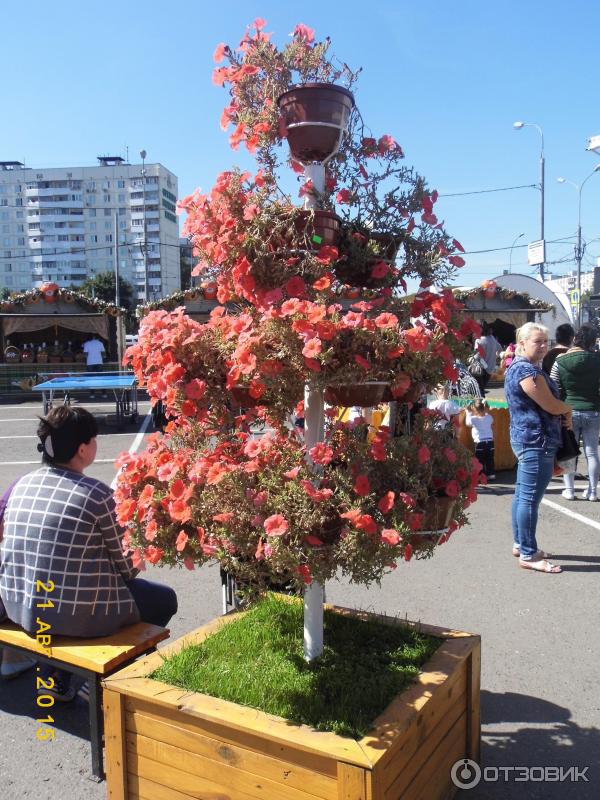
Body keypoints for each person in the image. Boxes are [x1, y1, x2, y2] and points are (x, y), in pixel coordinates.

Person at [0, 406, 178, 700]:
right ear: (83, 449)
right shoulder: (97, 495)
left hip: (19, 606)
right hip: (72, 616)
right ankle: (100, 680)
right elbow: (128, 568)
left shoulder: (21, 484)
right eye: (94, 439)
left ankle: (59, 673)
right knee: (162, 600)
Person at [504, 322, 572, 574]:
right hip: (536, 440)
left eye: (546, 341)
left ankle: (521, 545)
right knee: (529, 499)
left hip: (529, 438)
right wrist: (567, 409)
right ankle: (529, 554)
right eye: (537, 341)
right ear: (521, 344)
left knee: (523, 495)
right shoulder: (527, 371)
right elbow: (552, 405)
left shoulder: (524, 368)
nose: (544, 345)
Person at [550, 323, 600, 501]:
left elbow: (554, 387)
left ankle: (569, 490)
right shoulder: (597, 360)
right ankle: (593, 491)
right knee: (592, 452)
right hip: (593, 410)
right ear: (592, 342)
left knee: (569, 450)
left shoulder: (560, 361)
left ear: (575, 339)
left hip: (568, 411)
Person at [465, 399, 495, 479]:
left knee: (480, 460)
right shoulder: (489, 417)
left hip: (480, 443)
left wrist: (468, 412)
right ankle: (491, 474)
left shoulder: (473, 419)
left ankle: (480, 476)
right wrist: (486, 409)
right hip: (490, 442)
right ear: (484, 408)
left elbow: (467, 423)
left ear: (474, 410)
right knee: (490, 459)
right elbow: (487, 413)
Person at [473, 322, 501, 395]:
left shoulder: (479, 340)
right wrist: (494, 356)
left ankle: (480, 405)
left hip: (480, 369)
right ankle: (481, 405)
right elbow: (500, 349)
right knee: (481, 389)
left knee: (479, 392)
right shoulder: (492, 338)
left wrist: (470, 357)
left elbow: (477, 356)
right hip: (490, 368)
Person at [83, 333, 107, 399]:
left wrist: (86, 359)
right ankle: (104, 394)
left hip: (90, 363)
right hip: (99, 362)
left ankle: (92, 394)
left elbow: (85, 354)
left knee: (91, 379)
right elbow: (104, 354)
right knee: (101, 379)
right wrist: (103, 359)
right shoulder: (100, 343)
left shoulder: (87, 344)